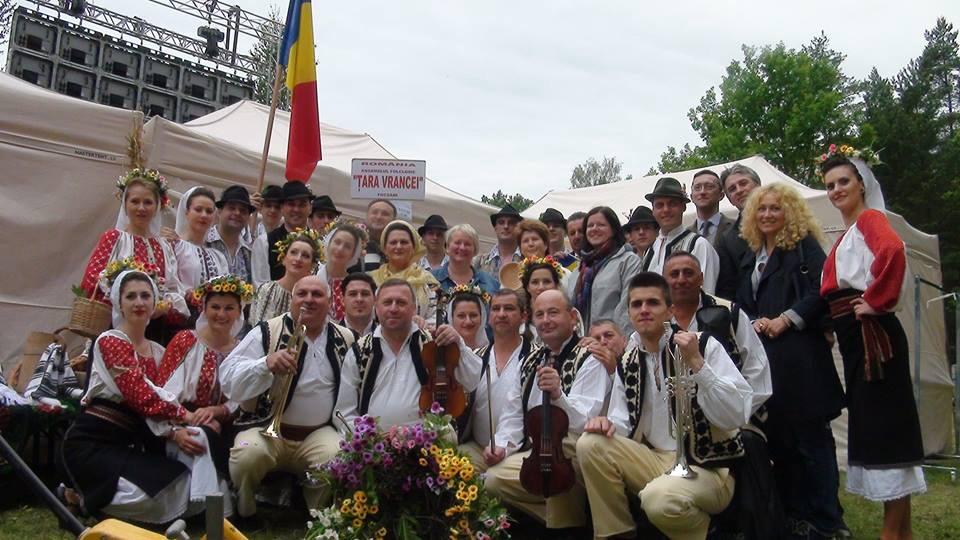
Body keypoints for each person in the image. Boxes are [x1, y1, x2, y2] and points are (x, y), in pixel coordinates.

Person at [577, 272, 752, 540]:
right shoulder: (628, 361)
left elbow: (737, 413)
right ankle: (616, 533)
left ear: (670, 310)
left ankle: (707, 533)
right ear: (629, 314)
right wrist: (605, 424)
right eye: (637, 304)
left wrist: (697, 364)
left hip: (707, 468)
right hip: (655, 459)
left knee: (658, 500)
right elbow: (622, 424)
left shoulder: (703, 345)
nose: (644, 310)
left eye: (653, 303)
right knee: (590, 443)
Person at [819, 147, 925, 539]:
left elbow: (893, 251)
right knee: (880, 426)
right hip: (856, 340)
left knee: (885, 429)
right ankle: (902, 533)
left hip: (873, 340)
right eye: (830, 185)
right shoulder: (850, 233)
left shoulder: (870, 219)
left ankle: (890, 533)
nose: (836, 190)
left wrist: (876, 301)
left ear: (861, 184)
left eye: (843, 181)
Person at [61, 271, 219, 524]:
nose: (139, 303)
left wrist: (180, 429)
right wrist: (186, 416)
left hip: (133, 444)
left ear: (154, 302)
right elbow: (140, 395)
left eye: (145, 296)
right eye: (131, 296)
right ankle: (85, 500)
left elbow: (165, 396)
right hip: (93, 441)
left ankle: (91, 503)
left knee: (183, 484)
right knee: (146, 495)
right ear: (119, 303)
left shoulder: (158, 352)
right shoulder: (110, 341)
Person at [736, 183, 847, 539]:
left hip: (803, 362)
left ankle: (828, 520)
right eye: (762, 208)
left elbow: (823, 289)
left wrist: (787, 318)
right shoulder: (753, 254)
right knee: (783, 443)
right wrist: (753, 320)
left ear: (790, 212)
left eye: (775, 208)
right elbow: (745, 302)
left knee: (813, 443)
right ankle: (797, 516)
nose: (767, 214)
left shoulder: (804, 247)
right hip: (770, 365)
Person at [219, 276, 355, 524]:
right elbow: (227, 377)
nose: (309, 300)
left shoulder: (345, 337)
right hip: (267, 430)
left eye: (317, 294)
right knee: (247, 454)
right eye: (302, 294)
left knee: (338, 454)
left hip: (317, 433)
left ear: (330, 302)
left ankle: (316, 514)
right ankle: (246, 510)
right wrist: (265, 364)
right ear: (292, 299)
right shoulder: (267, 331)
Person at [663, 250, 780, 539]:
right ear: (664, 281)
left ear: (701, 278)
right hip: (674, 424)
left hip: (733, 418)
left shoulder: (730, 313)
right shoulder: (657, 318)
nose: (681, 279)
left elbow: (758, 373)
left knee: (748, 443)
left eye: (688, 273)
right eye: (674, 274)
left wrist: (734, 413)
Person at [483, 289, 610, 532]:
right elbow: (513, 414)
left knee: (556, 453)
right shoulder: (530, 360)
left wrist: (558, 396)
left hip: (578, 455)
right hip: (537, 453)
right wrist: (502, 446)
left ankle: (565, 526)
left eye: (553, 313)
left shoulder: (589, 358)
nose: (546, 320)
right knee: (493, 480)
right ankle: (571, 522)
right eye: (539, 314)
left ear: (572, 317)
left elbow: (585, 421)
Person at [334, 278, 483, 430]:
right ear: (376, 308)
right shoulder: (359, 351)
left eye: (401, 302)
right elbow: (345, 412)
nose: (393, 309)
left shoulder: (434, 344)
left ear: (414, 308)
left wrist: (458, 344)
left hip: (428, 439)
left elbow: (472, 381)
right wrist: (364, 437)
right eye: (387, 302)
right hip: (374, 441)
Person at [156, 275, 255, 474]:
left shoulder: (243, 350)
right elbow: (162, 391)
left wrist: (218, 411)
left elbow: (245, 397)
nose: (221, 314)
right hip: (182, 423)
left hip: (227, 427)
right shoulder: (185, 341)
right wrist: (176, 429)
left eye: (229, 308)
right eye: (215, 307)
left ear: (239, 311)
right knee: (201, 438)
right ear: (204, 309)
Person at [79, 167, 189, 342]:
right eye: (135, 201)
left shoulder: (163, 246)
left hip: (154, 330)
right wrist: (125, 301)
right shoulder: (114, 238)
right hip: (116, 327)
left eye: (148, 202)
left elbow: (173, 287)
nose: (141, 208)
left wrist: (165, 305)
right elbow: (92, 280)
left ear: (158, 205)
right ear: (125, 204)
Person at [457, 289, 531, 472]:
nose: (502, 314)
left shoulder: (536, 358)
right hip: (478, 448)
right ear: (489, 318)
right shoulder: (475, 358)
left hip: (521, 450)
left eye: (509, 309)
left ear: (524, 316)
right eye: (496, 309)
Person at [570, 206, 643, 333]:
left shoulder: (628, 261)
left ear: (614, 229)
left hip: (612, 339)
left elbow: (627, 308)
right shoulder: (579, 270)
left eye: (601, 225)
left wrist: (613, 339)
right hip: (583, 342)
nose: (594, 229)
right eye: (590, 226)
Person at [642, 177, 720, 294]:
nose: (666, 210)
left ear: (683, 207)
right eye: (660, 205)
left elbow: (707, 293)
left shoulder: (698, 245)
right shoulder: (650, 249)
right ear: (653, 210)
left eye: (672, 204)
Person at [368, 220, 440, 321]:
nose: (398, 246)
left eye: (404, 242)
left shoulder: (427, 281)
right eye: (393, 242)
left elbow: (436, 316)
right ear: (385, 248)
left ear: (414, 247)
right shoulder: (370, 281)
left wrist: (421, 325)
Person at [248, 229, 322, 326]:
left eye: (305, 256)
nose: (298, 259)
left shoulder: (312, 298)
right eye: (293, 252)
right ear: (284, 259)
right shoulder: (267, 290)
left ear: (312, 266)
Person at [251, 181, 314, 288]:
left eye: (302, 205)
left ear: (310, 208)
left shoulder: (320, 244)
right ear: (282, 208)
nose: (296, 209)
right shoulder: (264, 242)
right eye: (291, 204)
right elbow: (260, 286)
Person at [715, 164, 763, 301]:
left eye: (743, 183)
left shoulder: (789, 219)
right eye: (732, 189)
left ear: (758, 185)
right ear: (730, 199)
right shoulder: (727, 240)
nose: (739, 190)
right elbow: (728, 290)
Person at [169, 187, 228, 293]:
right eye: (198, 209)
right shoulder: (174, 247)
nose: (204, 215)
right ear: (187, 212)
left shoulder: (218, 257)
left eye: (209, 211)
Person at [520, 256, 584, 343]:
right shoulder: (519, 317)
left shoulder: (570, 314)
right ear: (527, 287)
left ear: (556, 285)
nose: (541, 287)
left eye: (547, 281)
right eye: (535, 282)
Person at [316, 223, 366, 323]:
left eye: (347, 246)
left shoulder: (354, 286)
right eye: (337, 242)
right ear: (329, 243)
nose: (340, 249)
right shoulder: (311, 275)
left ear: (353, 253)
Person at [206, 185, 255, 284]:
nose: (237, 213)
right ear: (219, 211)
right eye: (232, 208)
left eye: (243, 210)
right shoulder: (202, 241)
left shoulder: (249, 252)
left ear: (248, 217)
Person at [432, 223, 500, 295]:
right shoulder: (431, 279)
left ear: (475, 250)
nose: (462, 248)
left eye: (467, 244)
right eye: (457, 243)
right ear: (447, 247)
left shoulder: (490, 284)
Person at [688, 169, 735, 246]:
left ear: (721, 195)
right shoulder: (685, 235)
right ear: (691, 197)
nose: (702, 192)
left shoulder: (737, 228)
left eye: (709, 187)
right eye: (697, 187)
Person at [474, 204, 523, 276]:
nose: (506, 226)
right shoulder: (480, 262)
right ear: (495, 228)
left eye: (511, 222)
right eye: (501, 222)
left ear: (519, 228)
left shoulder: (528, 259)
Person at [448, 285, 490, 350]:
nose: (468, 321)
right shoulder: (443, 351)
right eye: (461, 316)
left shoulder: (491, 351)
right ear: (451, 318)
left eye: (473, 315)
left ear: (482, 317)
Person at [360, 199, 397, 271]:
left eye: (385, 214)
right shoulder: (354, 245)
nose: (379, 217)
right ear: (366, 216)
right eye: (374, 212)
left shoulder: (400, 247)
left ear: (394, 220)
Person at [339, 273, 378, 339]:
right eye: (353, 294)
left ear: (375, 299)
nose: (359, 299)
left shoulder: (387, 337)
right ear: (342, 299)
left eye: (365, 294)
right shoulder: (328, 337)